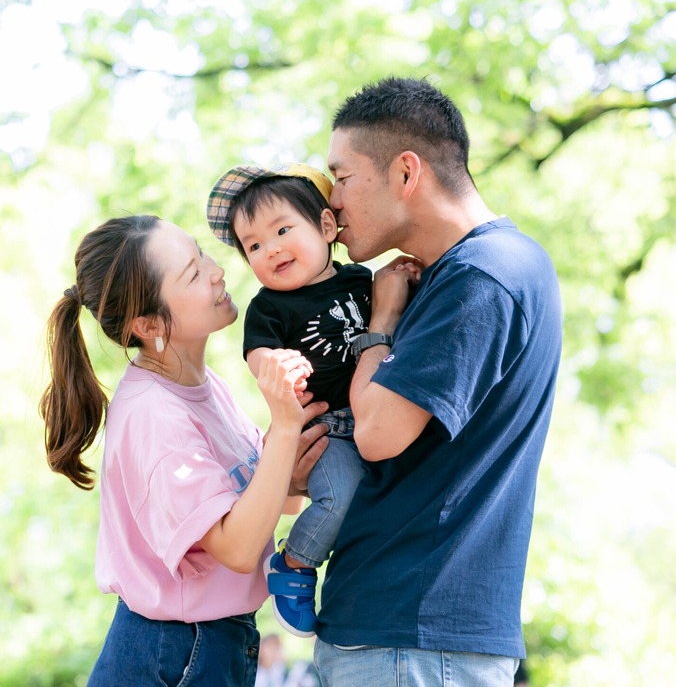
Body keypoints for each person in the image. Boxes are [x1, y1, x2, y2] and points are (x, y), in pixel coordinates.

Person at [313, 76, 563, 686]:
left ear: (405, 172)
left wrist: (380, 322)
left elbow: (376, 433)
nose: (330, 205)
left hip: (414, 640)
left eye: (341, 178)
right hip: (399, 638)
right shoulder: (458, 274)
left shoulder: (484, 274)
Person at [40, 215, 330, 686]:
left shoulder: (202, 385)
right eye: (193, 273)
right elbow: (237, 548)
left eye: (201, 255)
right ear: (149, 323)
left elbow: (276, 500)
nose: (216, 270)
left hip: (211, 644)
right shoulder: (154, 414)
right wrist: (282, 428)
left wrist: (299, 458)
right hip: (176, 654)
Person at [207, 163, 388, 637]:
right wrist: (274, 365)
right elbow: (258, 352)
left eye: (283, 229)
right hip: (326, 431)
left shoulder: (359, 279)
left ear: (326, 227)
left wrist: (402, 276)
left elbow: (390, 315)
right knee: (338, 500)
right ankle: (294, 561)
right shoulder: (269, 306)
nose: (272, 249)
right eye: (255, 246)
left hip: (375, 413)